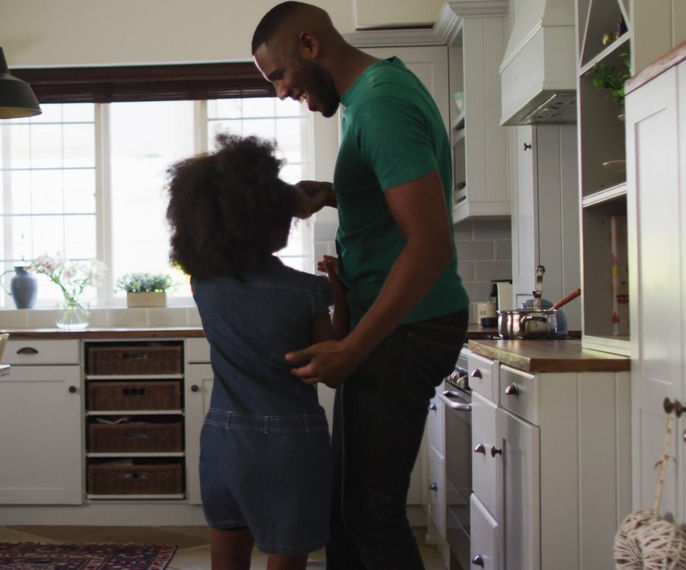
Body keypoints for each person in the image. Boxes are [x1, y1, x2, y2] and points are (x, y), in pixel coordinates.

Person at [251, 3, 471, 569]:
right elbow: (394, 192)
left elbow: (429, 245)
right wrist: (332, 192)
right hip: (397, 325)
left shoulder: (379, 106)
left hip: (405, 327)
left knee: (371, 514)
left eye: (277, 75)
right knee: (349, 510)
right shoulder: (370, 96)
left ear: (309, 45)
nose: (278, 92)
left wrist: (352, 347)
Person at [166, 133, 347, 570]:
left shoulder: (204, 287)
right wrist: (340, 290)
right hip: (290, 446)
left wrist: (282, 199)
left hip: (223, 443)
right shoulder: (307, 292)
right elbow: (334, 368)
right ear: (272, 217)